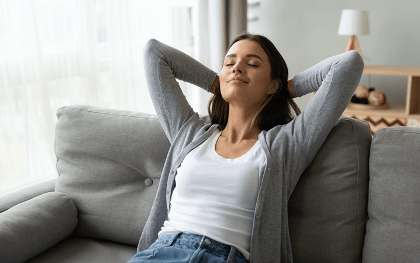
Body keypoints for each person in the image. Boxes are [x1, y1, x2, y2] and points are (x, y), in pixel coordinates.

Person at [128, 33, 364, 263]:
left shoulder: (287, 143)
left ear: (272, 84)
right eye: (229, 63)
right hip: (161, 253)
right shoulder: (189, 133)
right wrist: (218, 83)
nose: (237, 68)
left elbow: (348, 64)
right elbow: (154, 53)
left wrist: (284, 90)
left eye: (252, 64)